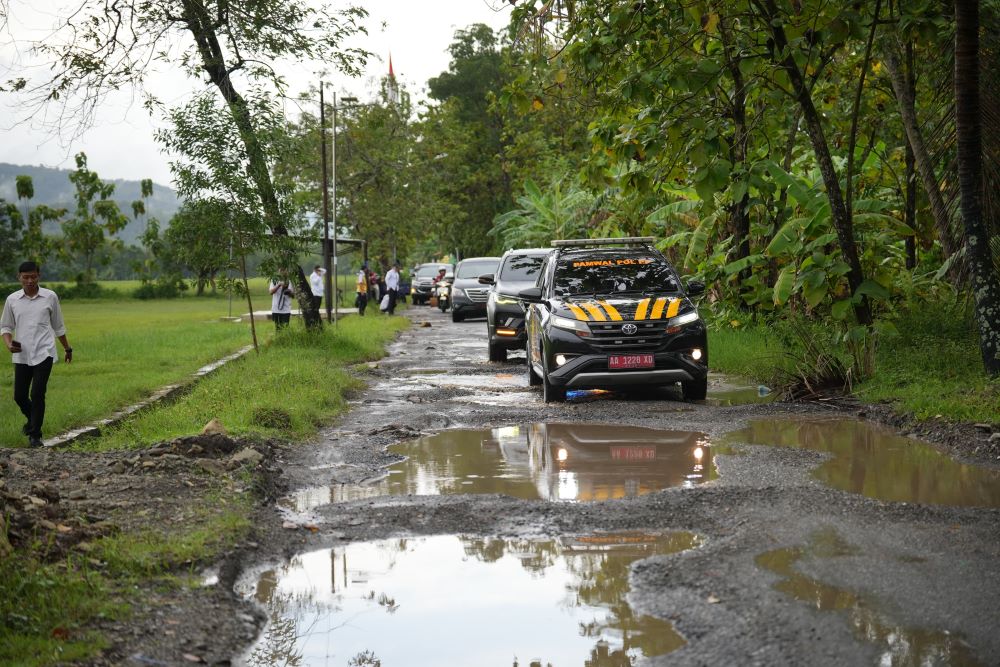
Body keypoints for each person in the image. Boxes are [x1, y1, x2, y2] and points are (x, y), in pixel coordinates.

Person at [1, 261, 73, 447]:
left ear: (39, 276)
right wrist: (9, 344)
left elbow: (58, 326)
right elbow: (6, 327)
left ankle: (35, 435)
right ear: (19, 278)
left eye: (33, 276)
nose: (30, 280)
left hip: (44, 352)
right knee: (19, 396)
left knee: (38, 393)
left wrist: (67, 348)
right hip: (22, 354)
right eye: (26, 277)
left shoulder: (50, 297)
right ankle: (32, 420)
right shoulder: (12, 300)